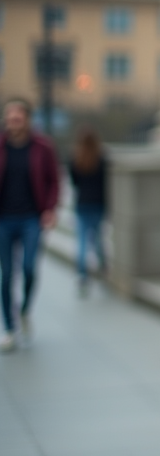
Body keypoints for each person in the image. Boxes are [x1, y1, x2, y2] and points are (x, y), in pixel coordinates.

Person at [0, 99, 59, 351]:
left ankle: (24, 310)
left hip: (31, 218)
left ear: (27, 118)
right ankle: (10, 328)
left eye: (18, 114)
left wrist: (50, 209)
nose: (13, 119)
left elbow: (54, 180)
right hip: (3, 219)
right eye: (9, 114)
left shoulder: (42, 147)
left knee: (29, 268)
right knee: (5, 275)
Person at [68, 126, 108, 295]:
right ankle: (103, 266)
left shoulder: (76, 159)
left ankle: (83, 274)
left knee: (82, 240)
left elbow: (74, 182)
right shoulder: (102, 159)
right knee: (98, 238)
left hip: (82, 203)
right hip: (98, 203)